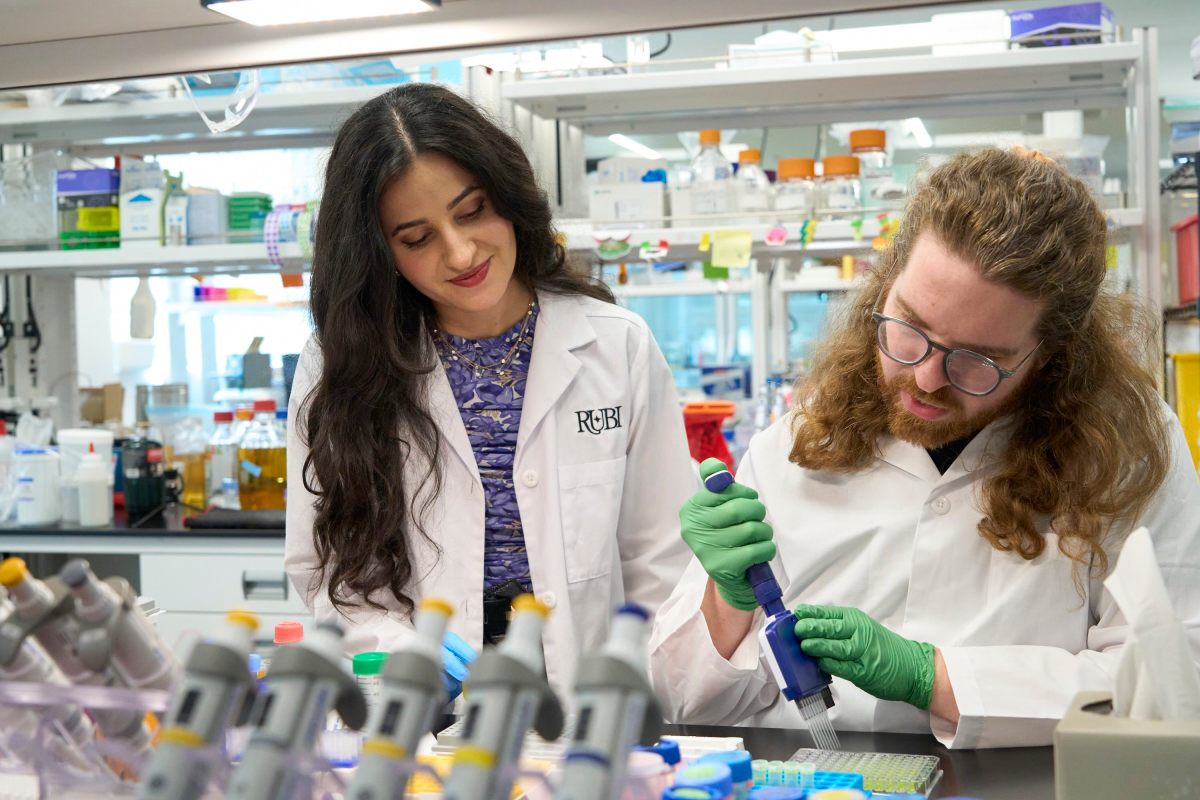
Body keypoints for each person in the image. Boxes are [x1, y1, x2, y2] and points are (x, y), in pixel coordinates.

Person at [650, 147, 1200, 748]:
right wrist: (726, 603)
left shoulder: (1127, 450)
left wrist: (933, 677)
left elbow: (1170, 685)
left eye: (979, 359)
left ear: (1051, 355)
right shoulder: (795, 443)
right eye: (909, 328)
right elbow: (684, 701)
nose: (927, 378)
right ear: (883, 287)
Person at [285, 83, 694, 699]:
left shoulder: (616, 345)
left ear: (508, 197)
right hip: (426, 716)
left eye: (472, 210)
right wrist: (402, 649)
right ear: (380, 253)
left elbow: (661, 562)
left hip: (592, 704)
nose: (461, 251)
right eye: (417, 238)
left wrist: (634, 688)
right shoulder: (341, 366)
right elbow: (330, 574)